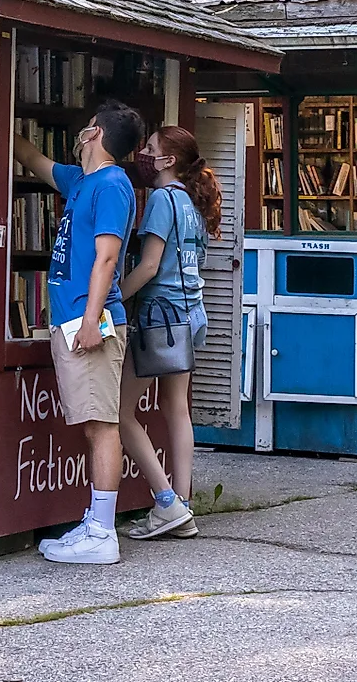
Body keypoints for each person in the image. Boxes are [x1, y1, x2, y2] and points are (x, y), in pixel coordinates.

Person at [13, 99, 146, 564]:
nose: (80, 133)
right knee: (93, 422)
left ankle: (102, 533)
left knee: (101, 424)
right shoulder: (79, 181)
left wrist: (91, 319)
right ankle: (94, 521)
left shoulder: (111, 184)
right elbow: (31, 158)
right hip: (72, 320)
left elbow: (107, 256)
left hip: (88, 323)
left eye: (86, 127)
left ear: (94, 134)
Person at [118, 124, 220, 540]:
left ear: (167, 161)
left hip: (160, 318)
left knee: (120, 412)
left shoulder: (162, 198)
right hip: (191, 315)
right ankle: (183, 503)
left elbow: (148, 266)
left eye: (151, 148)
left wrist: (111, 298)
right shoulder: (195, 202)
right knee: (177, 409)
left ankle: (165, 503)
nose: (143, 153)